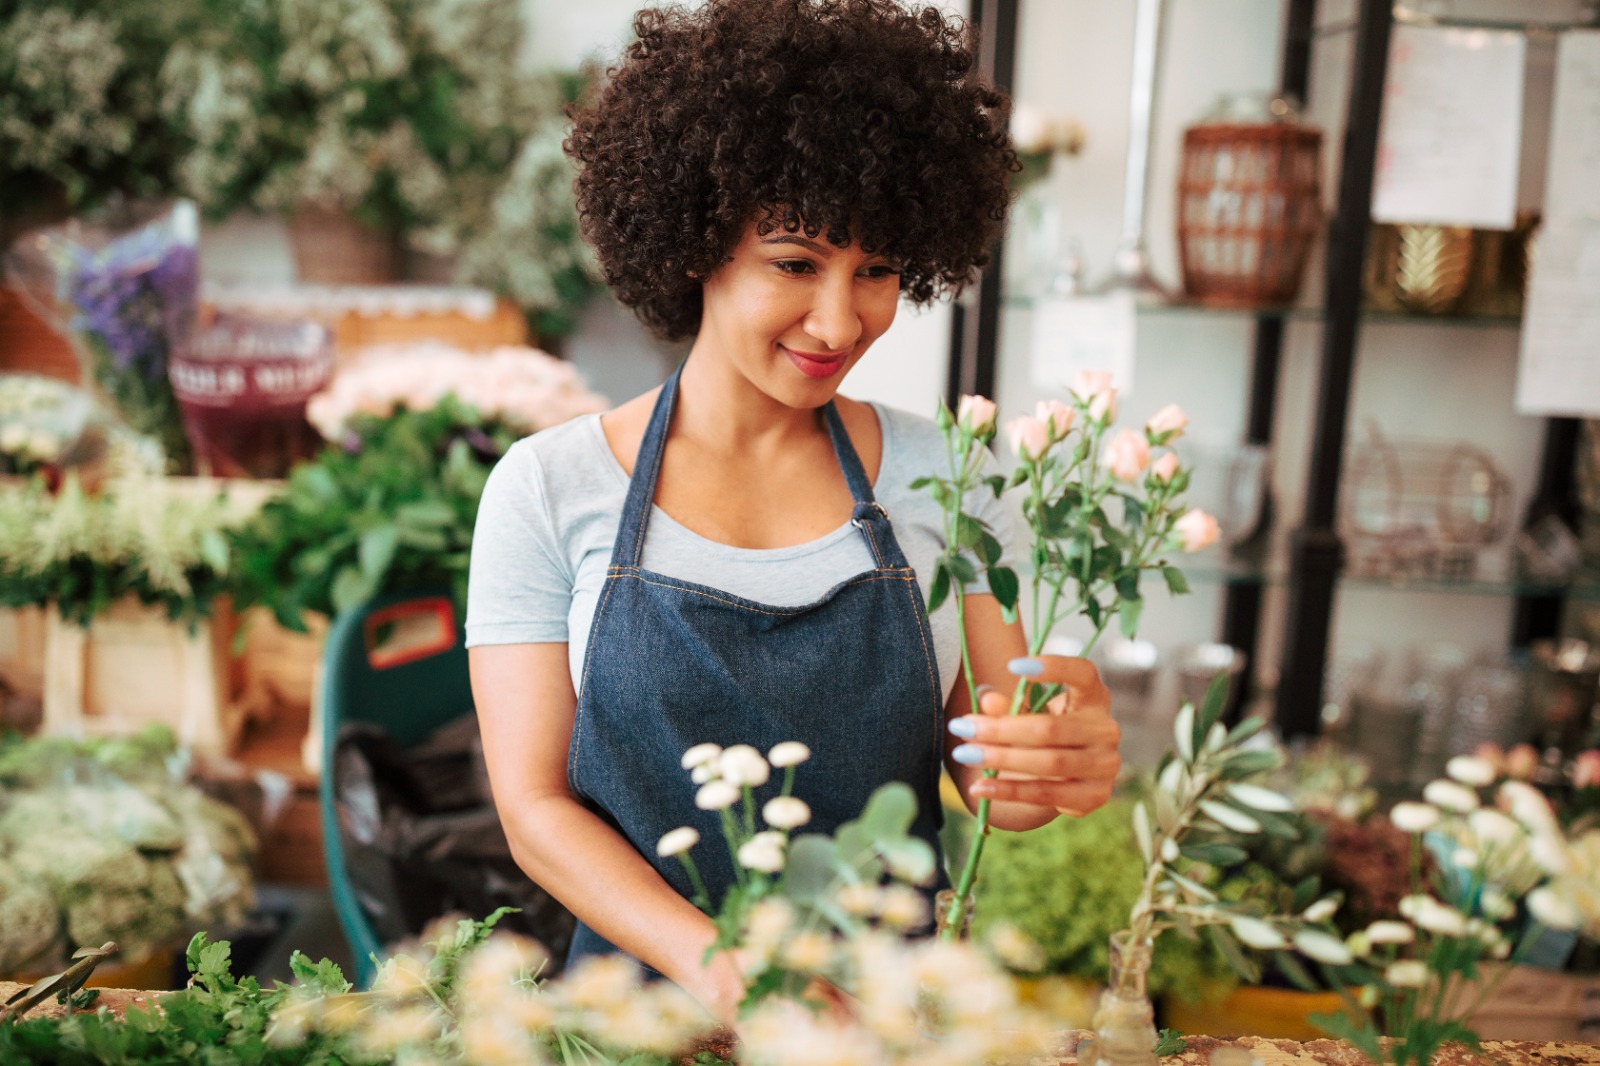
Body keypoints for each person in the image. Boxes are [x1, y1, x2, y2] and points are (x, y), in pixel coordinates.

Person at [466, 0, 1120, 1022]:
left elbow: (1000, 785)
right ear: (695, 243)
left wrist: (1056, 763)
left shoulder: (952, 478)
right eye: (794, 262)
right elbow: (535, 810)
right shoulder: (548, 490)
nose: (839, 319)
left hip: (883, 1024)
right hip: (636, 1026)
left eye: (877, 271)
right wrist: (730, 971)